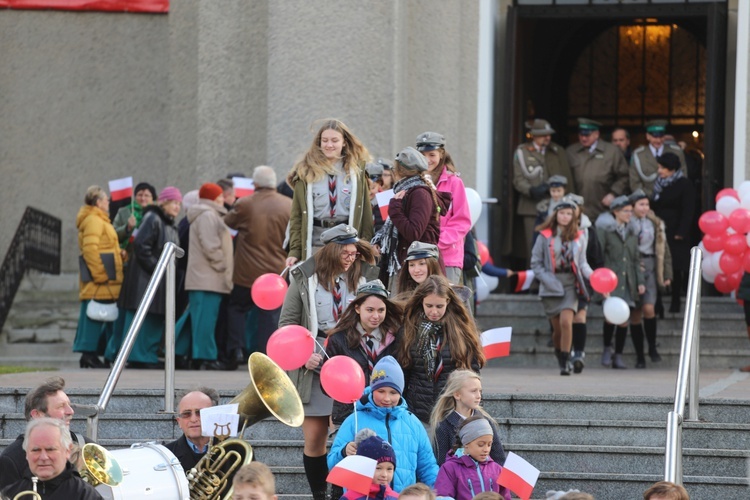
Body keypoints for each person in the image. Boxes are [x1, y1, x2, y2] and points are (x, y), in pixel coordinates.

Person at [279, 224, 378, 500]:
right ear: (332, 252)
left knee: (351, 434)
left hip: (352, 362)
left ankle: (339, 492)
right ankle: (320, 494)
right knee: (315, 439)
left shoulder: (363, 276)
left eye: (354, 252)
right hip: (314, 362)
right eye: (346, 253)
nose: (351, 257)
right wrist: (301, 358)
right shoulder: (303, 278)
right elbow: (286, 324)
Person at [328, 356, 439, 491]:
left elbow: (428, 467)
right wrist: (344, 452)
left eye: (393, 393)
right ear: (372, 389)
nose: (387, 398)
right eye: (381, 391)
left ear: (401, 393)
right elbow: (332, 465)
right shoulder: (354, 420)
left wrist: (439, 494)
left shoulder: (413, 423)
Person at [224, 166, 292, 359]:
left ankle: (235, 350)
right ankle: (265, 355)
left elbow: (228, 221)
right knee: (270, 315)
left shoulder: (245, 204)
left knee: (237, 308)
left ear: (255, 184)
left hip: (247, 271)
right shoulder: (288, 205)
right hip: (276, 272)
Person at [286, 119, 374, 267]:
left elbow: (365, 213)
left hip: (345, 242)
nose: (329, 145)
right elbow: (296, 216)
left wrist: (366, 246)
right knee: (316, 287)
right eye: (324, 140)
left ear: (344, 142)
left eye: (334, 140)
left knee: (344, 287)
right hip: (316, 242)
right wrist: (294, 251)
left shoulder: (356, 172)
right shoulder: (306, 171)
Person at [398, 275, 485, 423]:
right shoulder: (409, 330)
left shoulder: (461, 331)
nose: (434, 312)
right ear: (421, 303)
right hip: (417, 411)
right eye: (429, 306)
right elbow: (403, 372)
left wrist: (473, 410)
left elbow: (472, 373)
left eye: (439, 306)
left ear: (448, 302)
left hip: (452, 410)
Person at [119, 186, 183, 369]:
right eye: (173, 202)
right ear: (163, 202)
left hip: (159, 280)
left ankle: (148, 355)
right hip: (145, 280)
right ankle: (140, 357)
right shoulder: (152, 218)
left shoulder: (169, 223)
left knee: (154, 319)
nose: (177, 207)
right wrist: (158, 268)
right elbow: (141, 246)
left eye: (179, 203)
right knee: (143, 320)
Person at [325, 280, 403, 426]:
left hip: (385, 415)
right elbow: (327, 383)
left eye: (381, 310)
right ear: (357, 308)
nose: (376, 316)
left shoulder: (395, 338)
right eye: (370, 310)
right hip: (349, 415)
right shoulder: (339, 338)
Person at [174, 183, 233, 371]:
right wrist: (222, 265)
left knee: (197, 319)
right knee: (205, 321)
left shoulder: (205, 214)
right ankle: (205, 357)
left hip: (204, 278)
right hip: (208, 278)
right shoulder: (208, 215)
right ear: (213, 198)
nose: (223, 198)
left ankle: (179, 351)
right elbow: (211, 246)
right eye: (220, 195)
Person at [371, 147, 450, 288]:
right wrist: (380, 240)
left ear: (399, 170)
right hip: (410, 263)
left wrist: (395, 209)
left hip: (421, 267)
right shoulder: (405, 189)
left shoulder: (420, 193)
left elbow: (414, 232)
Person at [530, 200, 593, 375]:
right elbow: (536, 263)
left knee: (567, 321)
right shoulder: (545, 236)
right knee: (557, 330)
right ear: (556, 215)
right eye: (562, 213)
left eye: (569, 214)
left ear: (574, 216)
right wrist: (547, 279)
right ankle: (560, 355)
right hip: (551, 282)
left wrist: (593, 276)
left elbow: (582, 263)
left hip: (571, 282)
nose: (565, 217)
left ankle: (566, 362)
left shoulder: (580, 236)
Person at [0, 377, 87, 489]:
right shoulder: (12, 459)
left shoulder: (84, 445)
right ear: (37, 415)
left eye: (69, 405)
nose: (71, 411)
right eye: (61, 406)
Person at [74, 185, 124, 369]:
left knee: (98, 317)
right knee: (93, 318)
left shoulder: (100, 219)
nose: (108, 201)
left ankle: (90, 355)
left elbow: (104, 246)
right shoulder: (94, 220)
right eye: (105, 199)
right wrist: (100, 274)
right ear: (98, 202)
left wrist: (120, 253)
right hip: (100, 280)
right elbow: (90, 250)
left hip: (104, 280)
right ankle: (89, 354)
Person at [416, 131, 472, 285]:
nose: (427, 160)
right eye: (423, 155)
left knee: (444, 304)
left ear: (441, 154)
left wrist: (436, 241)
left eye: (432, 154)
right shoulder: (411, 182)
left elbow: (462, 221)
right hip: (417, 257)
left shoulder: (454, 182)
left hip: (447, 257)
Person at [512, 119, 573, 258]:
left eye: (549, 134)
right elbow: (518, 179)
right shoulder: (522, 152)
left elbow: (567, 177)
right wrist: (530, 190)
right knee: (533, 248)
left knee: (555, 247)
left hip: (556, 206)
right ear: (533, 135)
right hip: (531, 207)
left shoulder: (557, 151)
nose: (548, 137)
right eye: (543, 134)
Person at [596, 196, 645, 369]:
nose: (629, 214)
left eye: (631, 211)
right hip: (611, 279)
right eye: (626, 211)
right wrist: (601, 282)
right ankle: (607, 348)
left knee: (624, 319)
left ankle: (618, 355)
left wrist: (640, 281)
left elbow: (635, 258)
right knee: (610, 317)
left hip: (628, 279)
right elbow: (599, 256)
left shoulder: (632, 232)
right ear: (615, 212)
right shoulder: (605, 231)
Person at [1, 418, 102, 500]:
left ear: (67, 451)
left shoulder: (86, 495)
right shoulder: (9, 493)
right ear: (27, 453)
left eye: (50, 449)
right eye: (36, 450)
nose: (43, 457)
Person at [629, 189, 672, 367]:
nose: (645, 208)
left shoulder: (655, 223)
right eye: (641, 204)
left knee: (649, 308)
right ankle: (640, 355)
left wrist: (667, 274)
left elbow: (664, 250)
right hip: (632, 267)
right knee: (636, 312)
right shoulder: (627, 223)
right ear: (632, 207)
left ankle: (652, 347)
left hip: (651, 265)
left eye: (647, 204)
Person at [430, 370, 505, 467]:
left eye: (480, 391)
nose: (479, 396)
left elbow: (499, 459)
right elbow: (442, 464)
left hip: (485, 480)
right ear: (457, 395)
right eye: (473, 391)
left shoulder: (486, 422)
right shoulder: (443, 426)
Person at [650, 153, 695, 314]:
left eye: (662, 167)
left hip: (676, 231)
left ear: (672, 169)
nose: (659, 171)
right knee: (659, 264)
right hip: (660, 230)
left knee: (676, 266)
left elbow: (688, 209)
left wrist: (682, 231)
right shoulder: (659, 184)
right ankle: (658, 302)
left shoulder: (684, 184)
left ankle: (676, 299)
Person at [564, 193, 603, 374]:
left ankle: (578, 354)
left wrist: (595, 279)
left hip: (582, 280)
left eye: (574, 207)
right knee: (565, 320)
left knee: (580, 316)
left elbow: (594, 258)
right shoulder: (556, 229)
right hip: (562, 281)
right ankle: (566, 352)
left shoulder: (588, 230)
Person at [566, 118, 630, 221]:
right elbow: (566, 178)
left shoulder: (612, 152)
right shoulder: (571, 152)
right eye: (581, 135)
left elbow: (624, 176)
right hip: (578, 211)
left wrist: (613, 193)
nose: (583, 138)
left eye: (587, 135)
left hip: (604, 210)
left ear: (596, 134)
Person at [433, 416, 511, 500]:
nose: (486, 449)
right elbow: (443, 497)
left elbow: (505, 497)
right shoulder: (449, 468)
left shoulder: (497, 469)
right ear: (466, 443)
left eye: (489, 444)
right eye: (481, 444)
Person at [164, 388, 220, 473]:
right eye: (186, 414)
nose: (193, 419)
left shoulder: (235, 450)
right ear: (179, 422)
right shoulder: (166, 455)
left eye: (200, 413)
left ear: (214, 417)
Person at [630, 120, 688, 197]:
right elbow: (634, 182)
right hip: (646, 200)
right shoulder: (638, 154)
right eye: (655, 136)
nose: (658, 140)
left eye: (661, 136)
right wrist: (649, 197)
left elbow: (683, 176)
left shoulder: (677, 152)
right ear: (648, 136)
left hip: (672, 200)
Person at [339, 429, 399, 500]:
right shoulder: (350, 498)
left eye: (389, 469)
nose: (384, 474)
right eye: (378, 468)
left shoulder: (396, 498)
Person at [111, 181, 157, 253]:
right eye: (140, 195)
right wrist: (127, 228)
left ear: (152, 198)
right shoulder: (124, 212)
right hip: (127, 256)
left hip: (149, 256)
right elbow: (112, 235)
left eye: (146, 195)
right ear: (135, 197)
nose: (143, 198)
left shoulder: (157, 214)